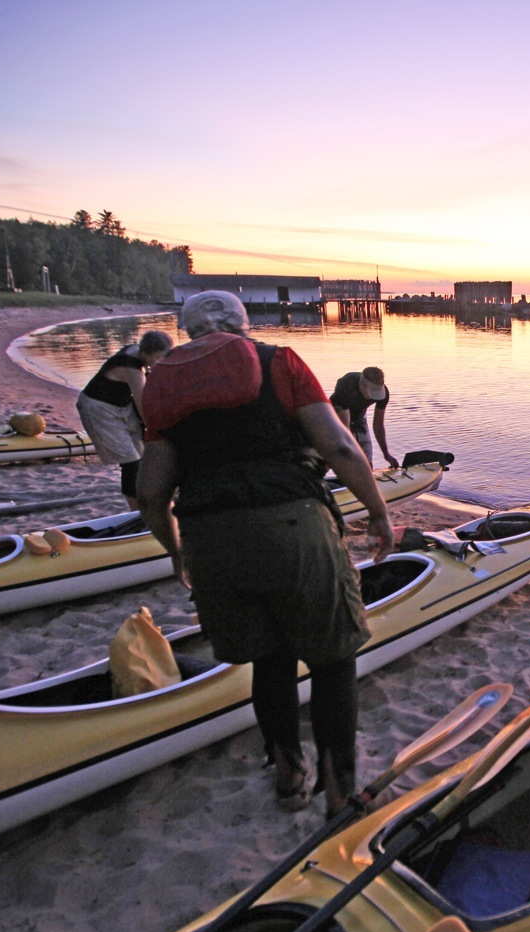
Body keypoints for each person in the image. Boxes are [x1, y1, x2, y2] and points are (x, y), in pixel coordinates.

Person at [137, 291, 395, 814]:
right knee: (332, 658)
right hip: (291, 524)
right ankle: (340, 790)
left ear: (188, 334)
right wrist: (378, 512)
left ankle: (287, 771)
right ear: (243, 325)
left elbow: (150, 493)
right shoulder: (278, 361)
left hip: (210, 538)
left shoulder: (162, 383)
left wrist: (176, 549)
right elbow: (340, 446)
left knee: (269, 659)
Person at [75, 329, 173, 506]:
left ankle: (146, 498)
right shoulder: (131, 368)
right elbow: (143, 403)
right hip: (99, 408)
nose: (159, 362)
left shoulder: (138, 353)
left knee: (141, 454)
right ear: (146, 352)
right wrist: (155, 430)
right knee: (131, 461)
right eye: (157, 358)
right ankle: (135, 508)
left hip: (121, 406)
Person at [329, 366, 398, 468]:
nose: (375, 397)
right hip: (336, 414)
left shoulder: (384, 393)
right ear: (362, 384)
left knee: (366, 462)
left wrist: (386, 453)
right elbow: (345, 429)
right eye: (372, 393)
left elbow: (378, 425)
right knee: (347, 455)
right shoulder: (346, 386)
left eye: (377, 393)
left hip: (359, 414)